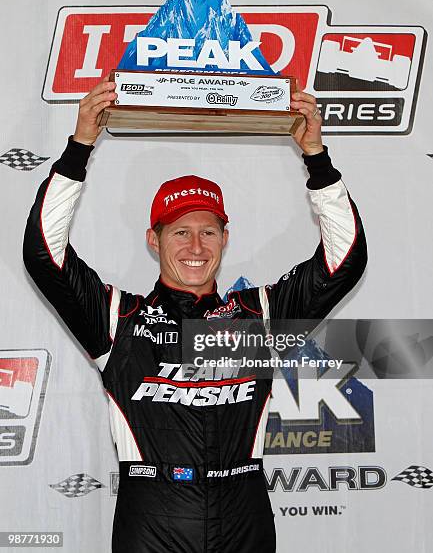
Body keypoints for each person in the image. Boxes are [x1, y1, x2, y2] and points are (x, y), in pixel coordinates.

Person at [23, 76, 367, 553]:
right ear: (154, 239)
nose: (195, 247)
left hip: (242, 512)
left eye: (208, 232)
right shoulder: (117, 319)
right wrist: (80, 145)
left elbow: (343, 260)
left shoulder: (258, 316)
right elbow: (45, 253)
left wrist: (317, 157)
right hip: (153, 517)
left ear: (225, 240)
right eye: (180, 232)